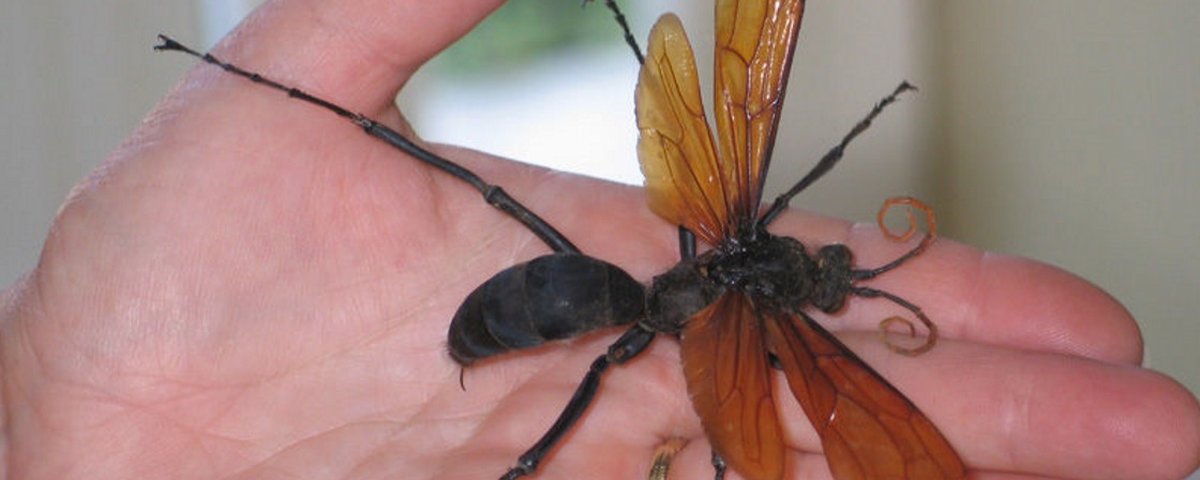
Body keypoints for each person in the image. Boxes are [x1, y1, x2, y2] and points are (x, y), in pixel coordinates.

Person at [2, 1, 1198, 478]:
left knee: (568, 352)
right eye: (833, 280)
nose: (829, 279)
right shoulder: (760, 309)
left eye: (832, 279)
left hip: (588, 296)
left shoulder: (721, 243)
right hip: (576, 299)